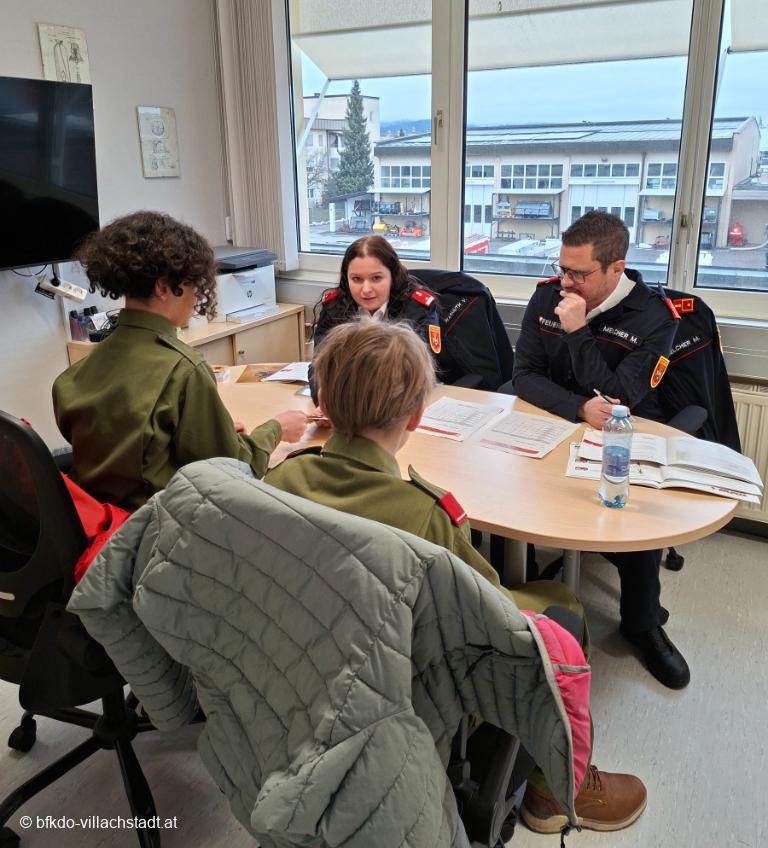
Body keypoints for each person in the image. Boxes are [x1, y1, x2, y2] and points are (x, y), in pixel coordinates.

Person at [266, 319, 648, 836]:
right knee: (562, 607)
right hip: (405, 685)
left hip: (305, 667)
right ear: (417, 416)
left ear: (323, 404)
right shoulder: (426, 513)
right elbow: (494, 611)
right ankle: (554, 789)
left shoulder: (280, 478)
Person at [512, 210, 688, 689]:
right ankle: (523, 593)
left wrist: (576, 332)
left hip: (622, 435)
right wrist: (576, 407)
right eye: (562, 268)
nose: (565, 282)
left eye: (579, 273)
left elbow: (620, 398)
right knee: (508, 492)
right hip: (555, 423)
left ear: (616, 268)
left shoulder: (655, 318)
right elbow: (523, 375)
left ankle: (642, 623)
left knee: (634, 519)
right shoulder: (547, 296)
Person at [52, 211, 308, 512]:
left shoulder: (76, 373)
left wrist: (216, 431)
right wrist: (275, 429)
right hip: (158, 525)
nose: (197, 296)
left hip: (95, 520)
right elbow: (232, 472)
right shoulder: (183, 370)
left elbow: (129, 446)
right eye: (193, 284)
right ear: (163, 287)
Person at [311, 235, 441, 352]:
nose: (366, 290)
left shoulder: (418, 309)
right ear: (346, 279)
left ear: (393, 276)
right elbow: (319, 363)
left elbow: (423, 365)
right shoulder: (333, 306)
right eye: (356, 279)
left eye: (376, 278)